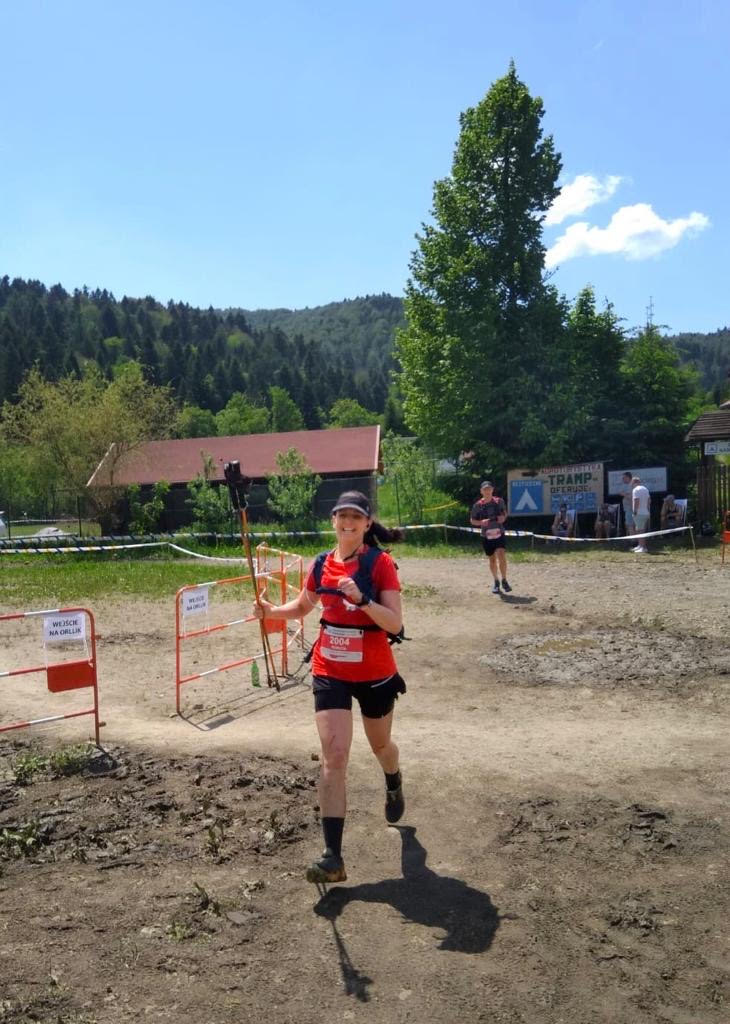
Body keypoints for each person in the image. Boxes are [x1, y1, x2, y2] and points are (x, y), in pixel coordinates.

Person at [252, 490, 406, 884]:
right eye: (342, 516)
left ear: (367, 524)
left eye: (356, 517)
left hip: (374, 671)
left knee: (381, 747)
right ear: (333, 521)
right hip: (330, 668)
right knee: (334, 756)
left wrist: (364, 599)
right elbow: (304, 607)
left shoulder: (380, 564)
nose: (348, 523)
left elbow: (395, 624)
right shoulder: (321, 563)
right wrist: (271, 612)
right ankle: (333, 858)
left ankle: (393, 778)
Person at [470, 481, 511, 594]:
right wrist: (481, 522)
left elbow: (505, 513)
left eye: (489, 489)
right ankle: (496, 581)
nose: (487, 491)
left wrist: (503, 518)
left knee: (501, 555)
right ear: (481, 491)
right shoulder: (478, 505)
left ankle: (504, 580)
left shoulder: (499, 501)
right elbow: (472, 520)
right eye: (485, 489)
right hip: (486, 535)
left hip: (499, 533)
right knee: (492, 560)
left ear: (492, 490)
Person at [631, 476, 651, 553]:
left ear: (634, 482)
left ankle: (643, 547)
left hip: (639, 512)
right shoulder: (645, 489)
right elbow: (649, 501)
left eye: (632, 483)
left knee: (640, 530)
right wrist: (647, 510)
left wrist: (635, 511)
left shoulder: (635, 490)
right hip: (645, 512)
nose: (631, 485)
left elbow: (636, 500)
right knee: (639, 529)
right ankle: (640, 545)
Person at [619, 471, 634, 536]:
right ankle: (632, 538)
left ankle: (633, 540)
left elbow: (631, 497)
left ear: (628, 477)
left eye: (624, 478)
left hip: (631, 508)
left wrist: (624, 494)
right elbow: (620, 492)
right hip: (627, 508)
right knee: (628, 524)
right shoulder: (624, 485)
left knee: (630, 525)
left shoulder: (632, 485)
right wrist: (624, 494)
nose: (623, 479)